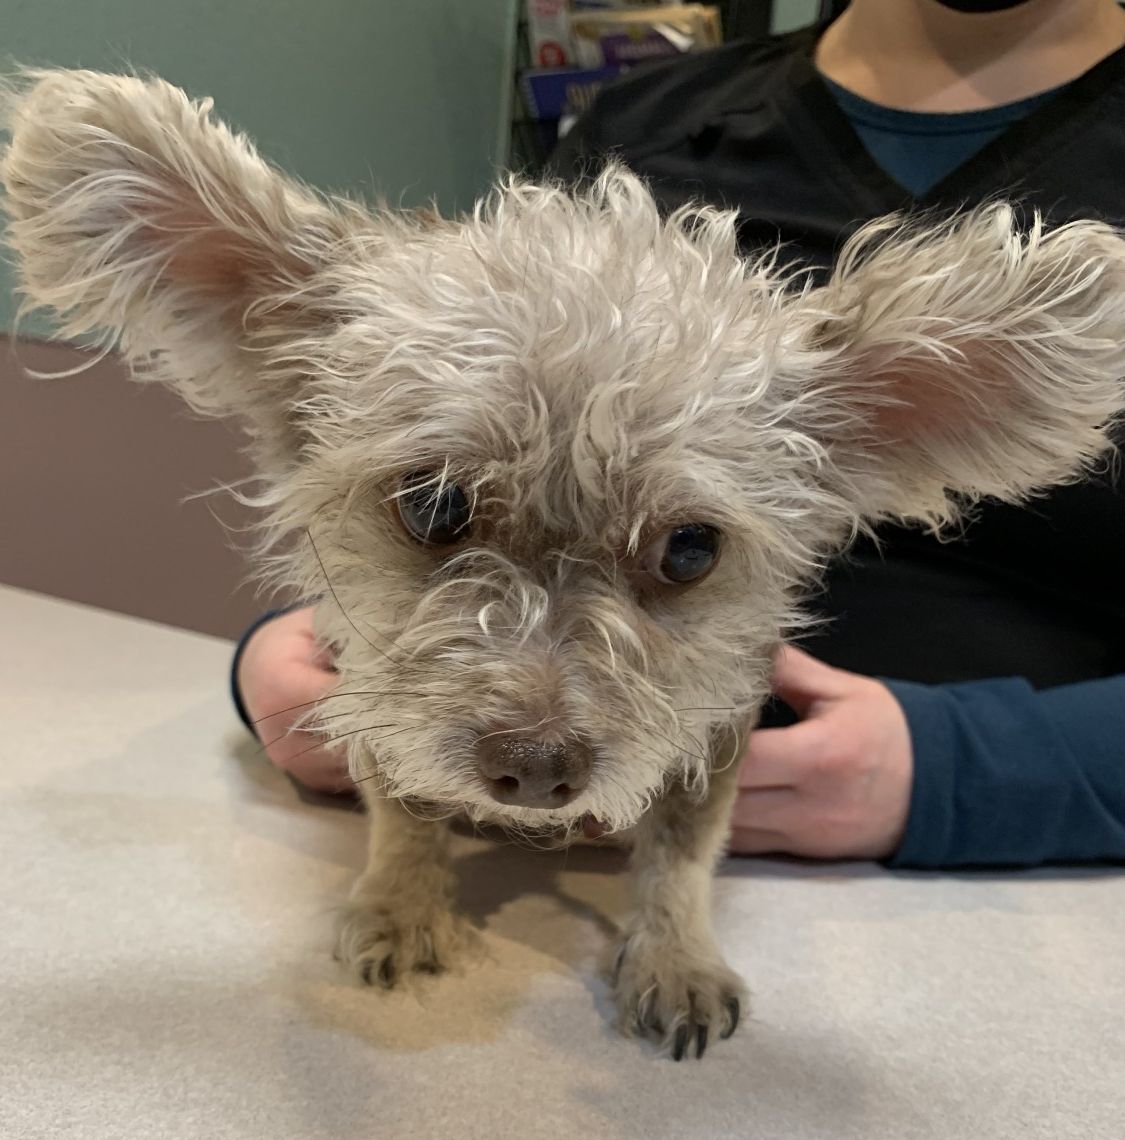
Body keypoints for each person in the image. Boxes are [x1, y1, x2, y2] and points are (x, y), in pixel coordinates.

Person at [233, 0, 1125, 867]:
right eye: (435, 513)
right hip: (487, 847)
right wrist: (304, 642)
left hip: (989, 880)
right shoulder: (640, 115)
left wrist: (970, 767)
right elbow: (417, 430)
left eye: (683, 550)